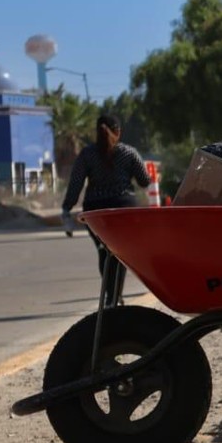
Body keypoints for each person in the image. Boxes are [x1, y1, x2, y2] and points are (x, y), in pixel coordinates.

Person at [61, 113, 151, 304]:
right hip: (123, 210)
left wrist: (67, 208)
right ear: (118, 132)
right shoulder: (129, 152)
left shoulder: (87, 154)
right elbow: (144, 181)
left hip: (96, 212)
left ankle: (111, 296)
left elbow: (76, 183)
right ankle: (116, 297)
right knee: (120, 252)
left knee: (104, 252)